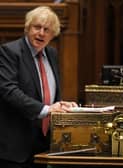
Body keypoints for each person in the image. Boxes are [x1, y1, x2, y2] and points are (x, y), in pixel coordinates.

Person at [0, 6, 77, 168]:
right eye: (37, 27)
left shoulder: (52, 54)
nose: (41, 33)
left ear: (53, 34)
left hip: (43, 145)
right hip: (15, 149)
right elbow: (9, 91)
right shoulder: (10, 52)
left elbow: (49, 92)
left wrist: (61, 105)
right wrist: (46, 109)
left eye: (47, 29)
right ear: (28, 28)